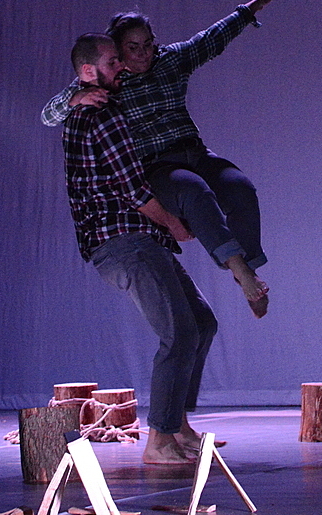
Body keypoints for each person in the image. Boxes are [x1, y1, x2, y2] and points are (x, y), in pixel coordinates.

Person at [43, 0, 280, 318]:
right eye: (133, 48)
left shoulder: (169, 60)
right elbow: (49, 114)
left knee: (240, 188)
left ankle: (248, 269)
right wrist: (74, 99)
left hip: (195, 153)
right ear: (118, 51)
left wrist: (248, 10)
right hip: (158, 166)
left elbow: (210, 39)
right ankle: (238, 267)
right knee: (195, 192)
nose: (143, 54)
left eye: (148, 45)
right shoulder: (109, 79)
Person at [62, 32, 220, 464]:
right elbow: (132, 187)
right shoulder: (100, 113)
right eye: (113, 62)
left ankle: (177, 426)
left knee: (201, 323)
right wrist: (175, 223)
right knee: (180, 332)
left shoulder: (94, 105)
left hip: (138, 238)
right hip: (123, 239)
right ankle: (159, 441)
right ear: (89, 72)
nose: (123, 67)